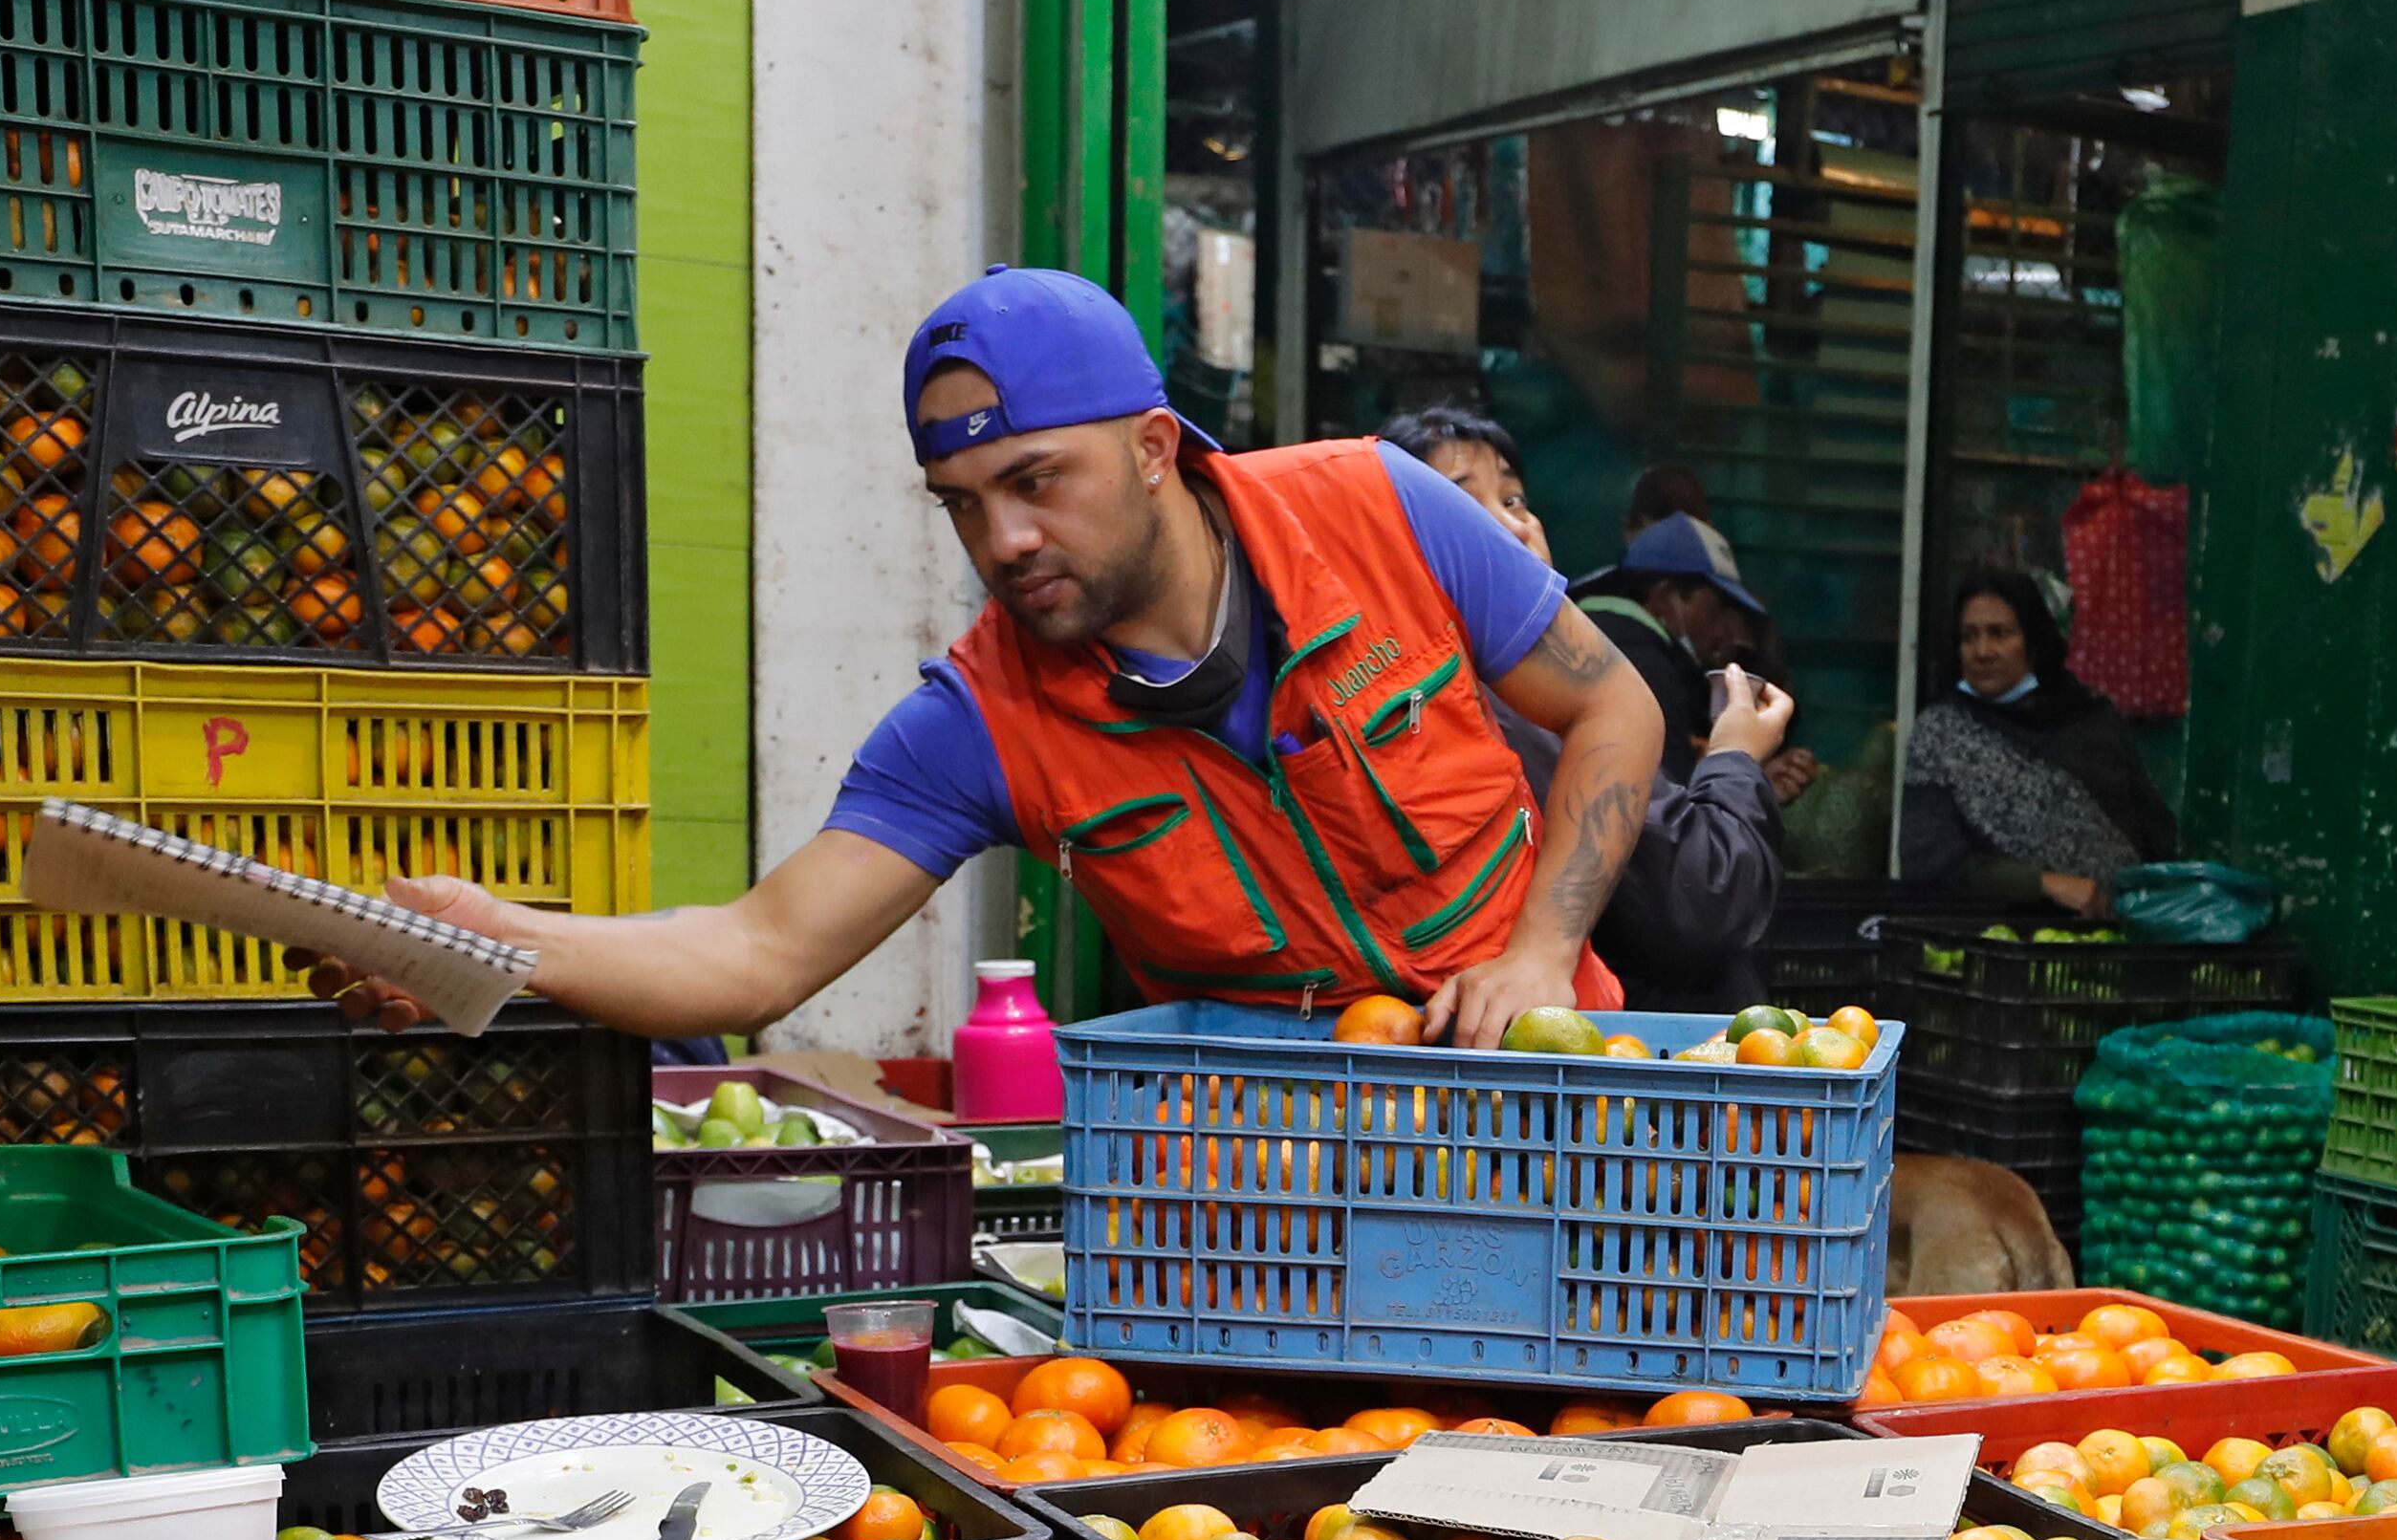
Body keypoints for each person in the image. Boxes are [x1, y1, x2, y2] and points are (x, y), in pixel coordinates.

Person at [312, 264, 1666, 1046]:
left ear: (1150, 449)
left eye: (1037, 482)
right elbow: (754, 952)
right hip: (1276, 1179)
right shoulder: (980, 718)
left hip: (1540, 1088)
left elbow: (1616, 712)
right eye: (962, 505)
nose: (1003, 540)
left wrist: (1543, 952)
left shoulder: (1376, 508)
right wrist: (503, 940)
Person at [1383, 403, 1788, 1011]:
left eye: (1515, 500)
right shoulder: (1501, 703)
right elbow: (1703, 893)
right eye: (1463, 505)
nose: (1514, 526)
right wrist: (1736, 755)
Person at [1902, 567, 2174, 911]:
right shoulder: (1941, 734)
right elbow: (1928, 864)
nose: (1981, 651)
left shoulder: (2093, 720)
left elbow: (2153, 839)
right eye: (1968, 637)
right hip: (1994, 941)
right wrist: (2043, 884)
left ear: (2033, 642)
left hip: (2111, 938)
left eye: (2000, 633)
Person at [1563, 514, 1765, 778]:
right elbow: (1666, 807)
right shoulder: (1650, 671)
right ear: (1663, 597)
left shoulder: (1573, 633)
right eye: (1713, 612)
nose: (1718, 631)